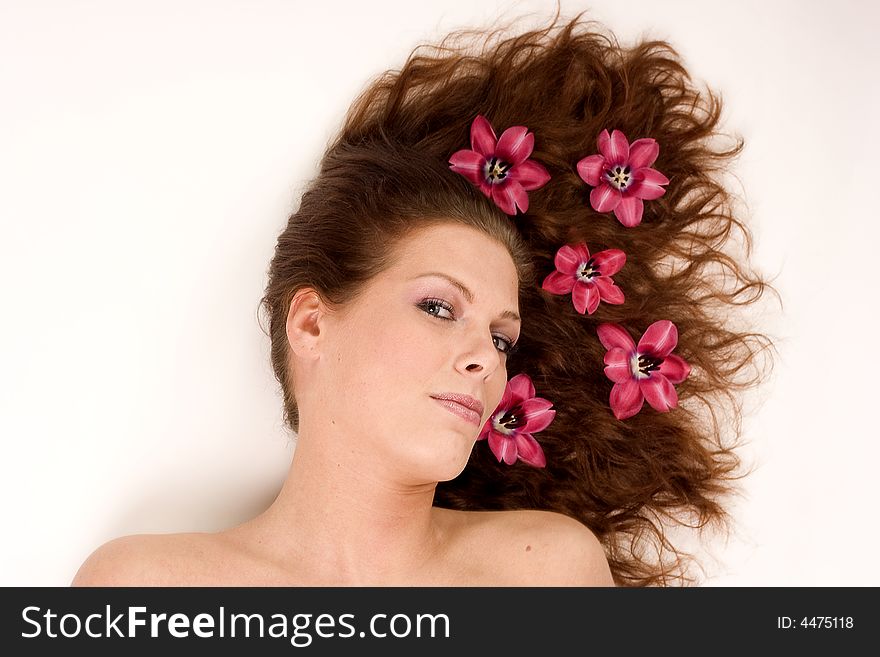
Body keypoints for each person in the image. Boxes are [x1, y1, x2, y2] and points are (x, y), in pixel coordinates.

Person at [72, 12, 772, 587]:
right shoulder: (145, 587)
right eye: (439, 307)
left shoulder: (546, 571)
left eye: (502, 338)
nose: (485, 362)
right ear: (313, 322)